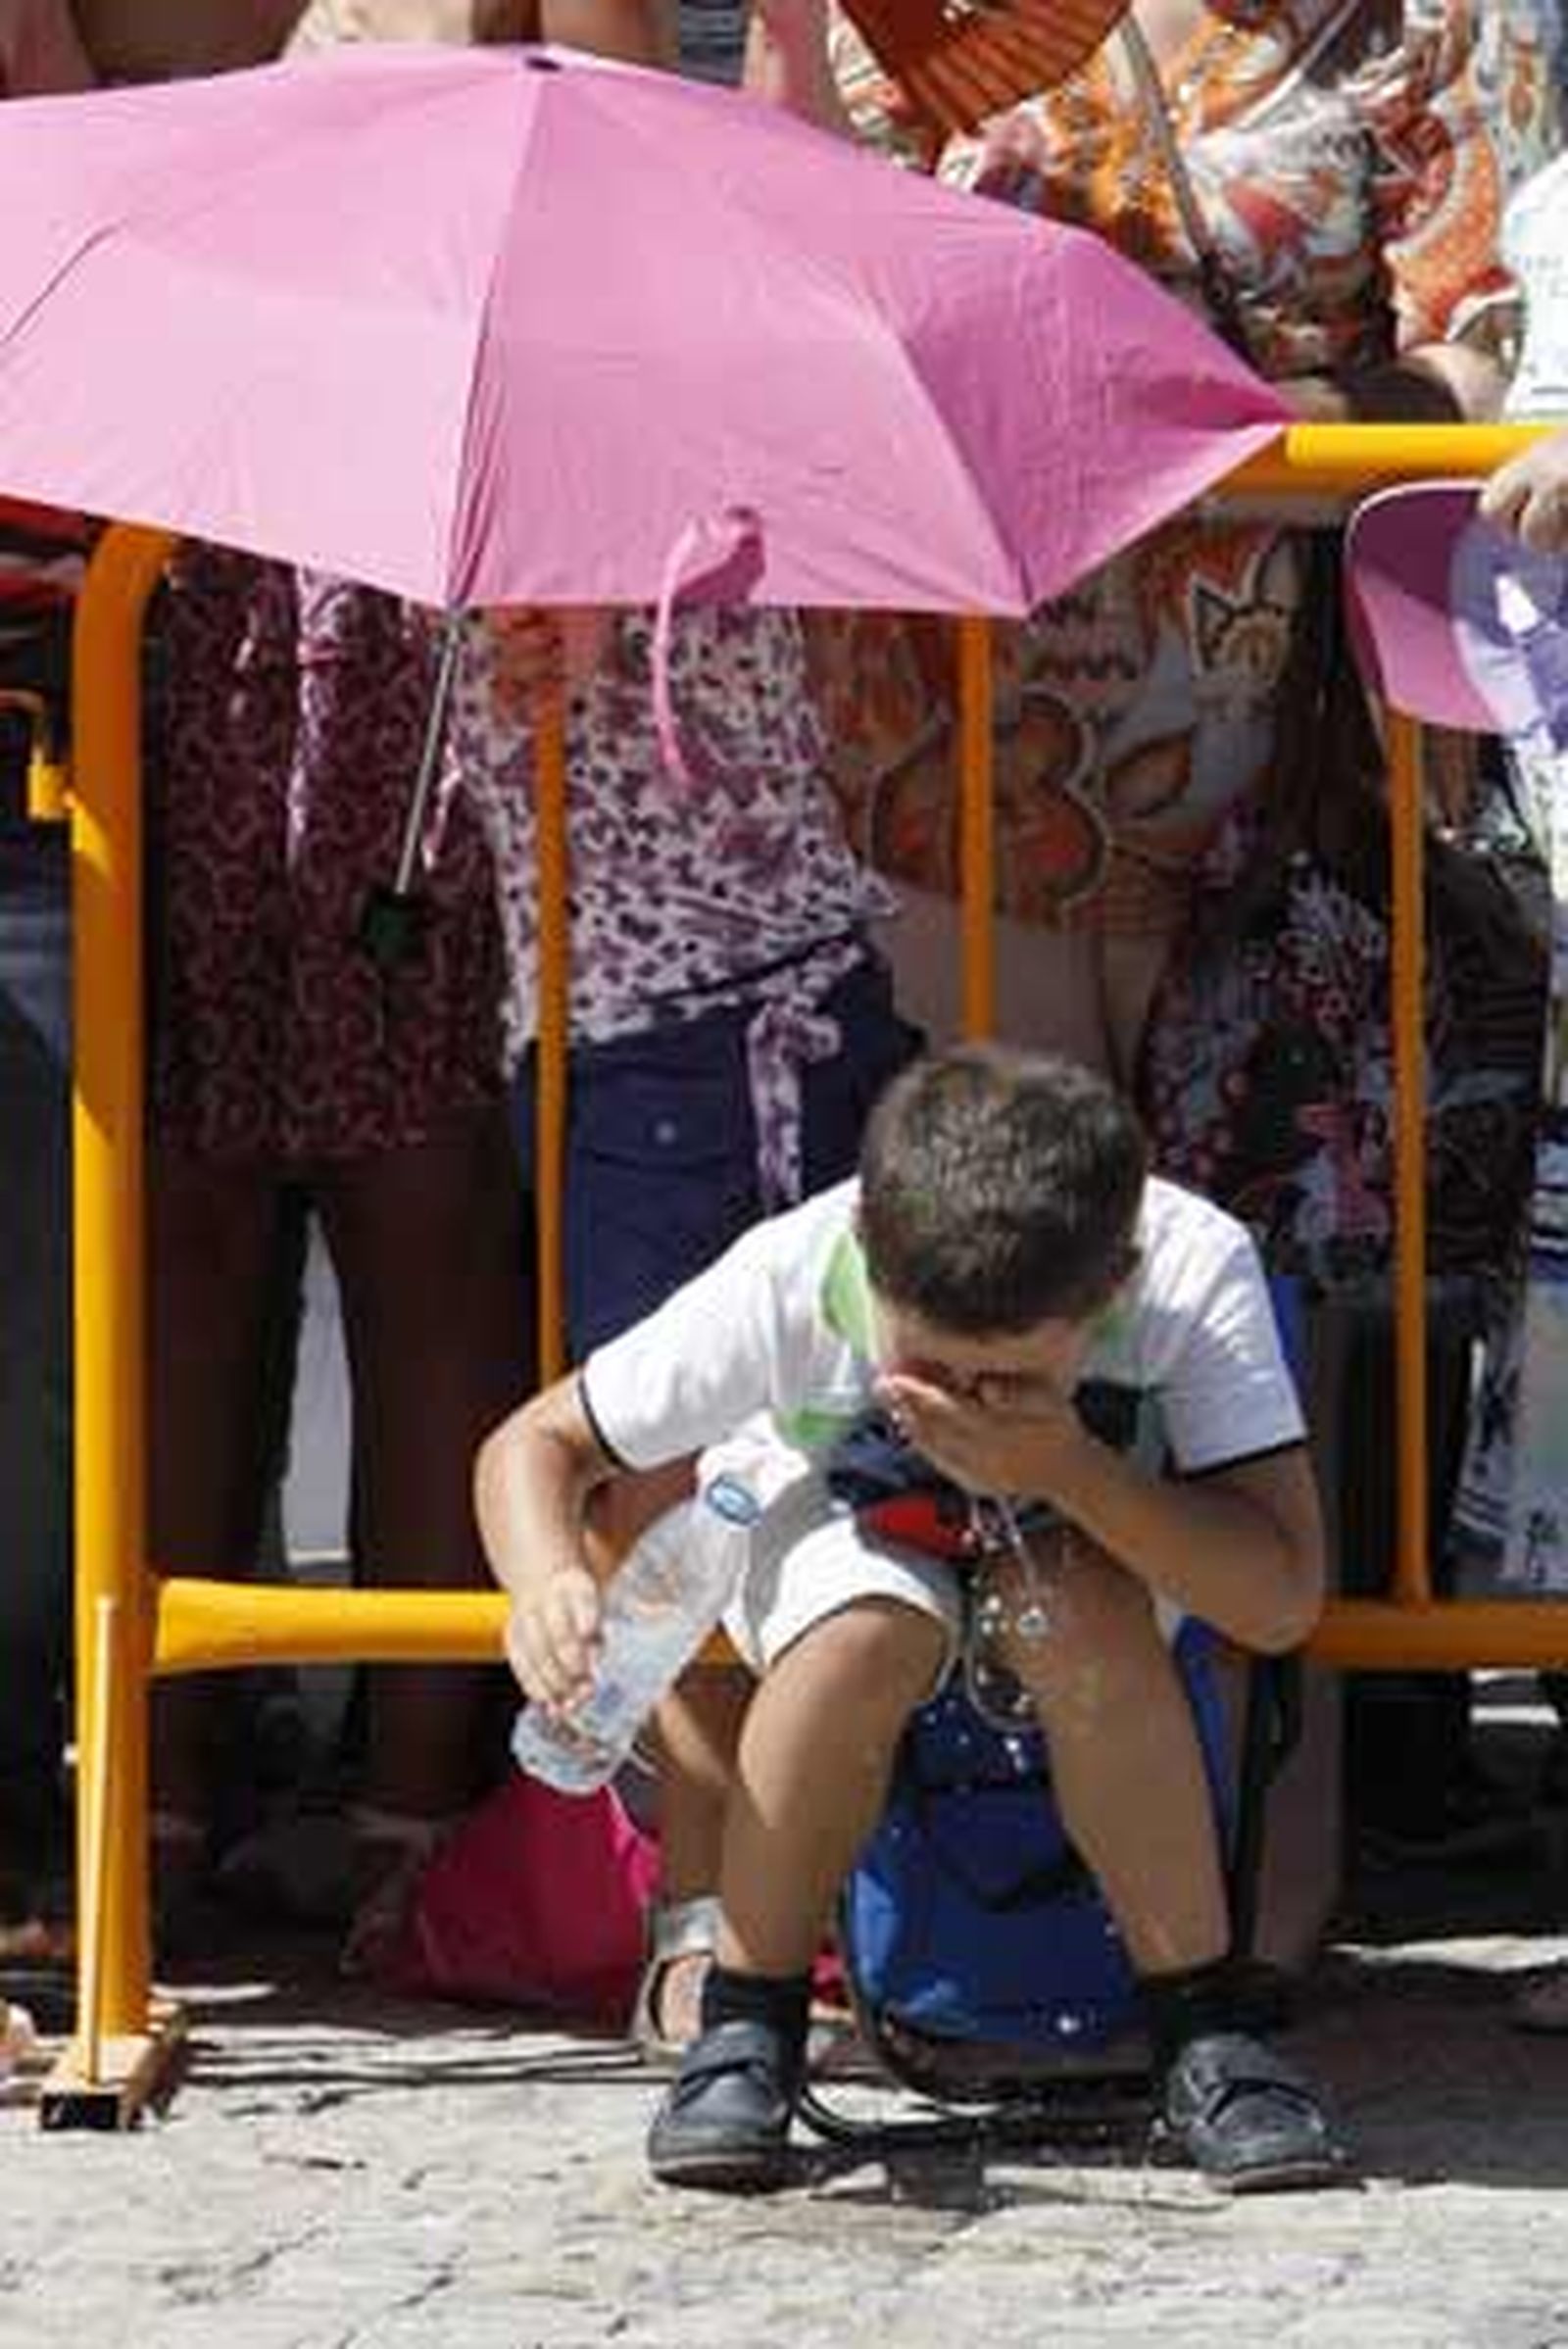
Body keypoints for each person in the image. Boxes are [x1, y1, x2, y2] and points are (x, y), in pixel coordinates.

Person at [478, 1044, 1347, 2193]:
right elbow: (534, 1445)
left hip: (1090, 1523)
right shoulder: (796, 1269)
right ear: (870, 1259)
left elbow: (1280, 1594)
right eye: (925, 1365)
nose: (961, 1406)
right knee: (857, 1636)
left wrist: (1070, 1466)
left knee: (1076, 1610)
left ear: (1110, 1291)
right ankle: (751, 2014)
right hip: (842, 1513)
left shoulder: (1191, 1267)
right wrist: (544, 1580)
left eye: (1006, 1380)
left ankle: (1200, 2019)